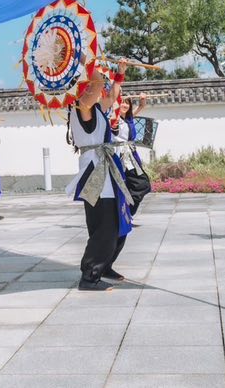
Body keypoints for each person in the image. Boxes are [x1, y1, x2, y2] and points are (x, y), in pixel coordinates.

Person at [66, 61, 132, 291]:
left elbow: (110, 95)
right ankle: (90, 275)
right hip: (95, 173)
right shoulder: (81, 106)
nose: (96, 90)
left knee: (111, 223)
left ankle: (102, 266)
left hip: (103, 170)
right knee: (104, 226)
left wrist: (119, 75)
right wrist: (86, 60)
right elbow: (97, 84)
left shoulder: (94, 108)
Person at [115, 95, 152, 217]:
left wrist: (142, 99)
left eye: (127, 103)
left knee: (142, 184)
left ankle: (128, 210)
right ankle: (122, 212)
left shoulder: (129, 118)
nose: (124, 105)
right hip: (118, 154)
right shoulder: (113, 119)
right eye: (122, 102)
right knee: (126, 184)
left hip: (130, 155)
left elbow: (141, 106)